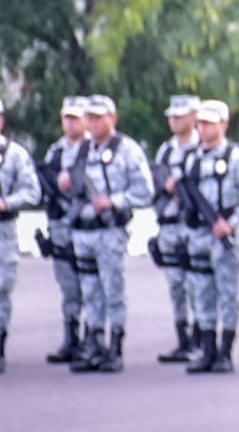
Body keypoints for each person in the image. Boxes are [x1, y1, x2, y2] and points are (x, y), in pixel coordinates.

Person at [67, 94, 153, 373]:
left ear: (112, 119)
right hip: (83, 232)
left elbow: (145, 191)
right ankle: (93, 343)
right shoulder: (81, 151)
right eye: (89, 117)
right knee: (90, 291)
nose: (93, 123)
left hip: (109, 230)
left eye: (98, 117)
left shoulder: (127, 150)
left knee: (112, 289)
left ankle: (115, 346)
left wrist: (114, 201)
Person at [183, 98, 239, 374]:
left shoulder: (237, 159)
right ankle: (207, 350)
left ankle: (225, 352)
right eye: (200, 123)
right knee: (201, 294)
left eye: (209, 123)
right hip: (199, 237)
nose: (203, 128)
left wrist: (232, 223)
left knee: (227, 295)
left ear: (223, 124)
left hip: (224, 237)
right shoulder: (191, 160)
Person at [36, 95, 89, 363]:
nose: (70, 123)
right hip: (60, 225)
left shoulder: (94, 149)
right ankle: (71, 338)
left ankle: (92, 339)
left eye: (75, 118)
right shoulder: (55, 152)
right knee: (68, 285)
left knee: (91, 285)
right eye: (66, 118)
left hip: (87, 225)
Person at [149, 94, 202, 363]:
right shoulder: (166, 151)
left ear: (194, 117)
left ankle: (201, 340)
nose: (174, 121)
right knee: (176, 286)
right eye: (172, 116)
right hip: (169, 226)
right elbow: (155, 185)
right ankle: (182, 340)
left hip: (191, 226)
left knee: (197, 286)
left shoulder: (201, 148)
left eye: (180, 116)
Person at [0, 98, 41, 373]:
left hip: (3, 230)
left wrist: (7, 202)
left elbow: (32, 191)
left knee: (0, 289)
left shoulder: (14, 155)